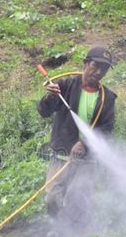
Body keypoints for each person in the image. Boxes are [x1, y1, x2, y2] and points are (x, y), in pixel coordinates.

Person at [37, 46, 117, 221]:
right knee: (52, 199)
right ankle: (59, 228)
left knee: (79, 200)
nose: (98, 72)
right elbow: (44, 112)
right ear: (85, 64)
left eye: (103, 69)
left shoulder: (107, 98)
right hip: (61, 156)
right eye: (95, 66)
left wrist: (84, 143)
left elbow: (106, 128)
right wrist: (50, 98)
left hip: (87, 160)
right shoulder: (65, 86)